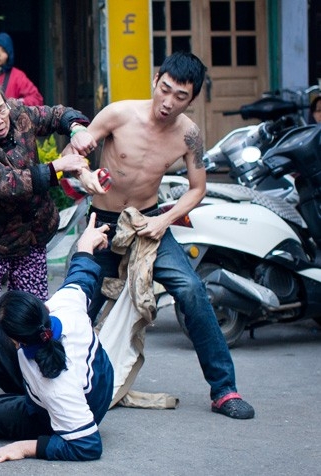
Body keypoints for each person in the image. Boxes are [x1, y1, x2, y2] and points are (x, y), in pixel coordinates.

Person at [68, 51, 255, 419]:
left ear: (193, 99)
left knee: (190, 290)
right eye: (165, 89)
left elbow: (196, 189)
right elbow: (75, 153)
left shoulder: (190, 135)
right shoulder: (119, 113)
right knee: (77, 299)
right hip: (103, 221)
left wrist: (164, 220)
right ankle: (53, 379)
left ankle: (224, 390)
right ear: (156, 79)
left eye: (180, 96)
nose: (168, 102)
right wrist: (86, 176)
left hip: (149, 223)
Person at [0, 79, 96, 397]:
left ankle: (37, 372)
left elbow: (56, 113)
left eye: (0, 108)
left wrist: (75, 128)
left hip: (32, 231)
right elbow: (6, 184)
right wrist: (58, 167)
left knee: (33, 305)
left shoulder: (19, 113)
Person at [0, 213, 114, 462]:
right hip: (91, 380)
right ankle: (18, 401)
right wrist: (86, 244)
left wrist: (25, 447)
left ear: (18, 342)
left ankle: (26, 412)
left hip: (74, 407)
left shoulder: (55, 387)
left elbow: (88, 446)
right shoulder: (65, 305)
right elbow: (82, 275)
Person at [0, 32, 44, 106]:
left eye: (4, 51)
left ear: (9, 55)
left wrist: (18, 103)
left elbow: (37, 99)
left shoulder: (17, 76)